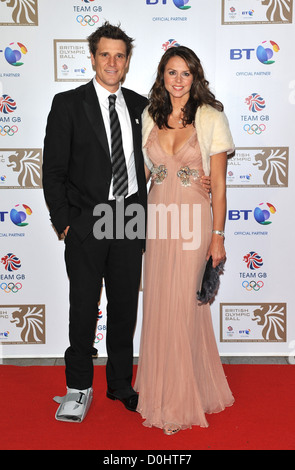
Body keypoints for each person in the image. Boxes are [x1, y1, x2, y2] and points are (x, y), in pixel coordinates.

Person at [42, 22, 149, 422]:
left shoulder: (140, 106)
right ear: (92, 57)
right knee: (83, 309)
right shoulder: (68, 103)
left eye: (119, 55)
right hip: (87, 221)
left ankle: (121, 384)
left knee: (124, 308)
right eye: (105, 54)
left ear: (126, 62)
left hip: (130, 216)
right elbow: (52, 171)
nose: (112, 62)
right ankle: (78, 388)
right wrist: (65, 222)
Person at [134, 46, 235, 435]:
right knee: (160, 303)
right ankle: (160, 392)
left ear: (196, 77)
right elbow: (141, 174)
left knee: (182, 305)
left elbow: (220, 184)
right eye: (171, 73)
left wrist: (218, 237)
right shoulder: (149, 115)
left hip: (194, 220)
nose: (178, 80)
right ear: (162, 76)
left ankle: (178, 401)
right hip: (160, 221)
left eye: (185, 73)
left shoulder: (210, 117)